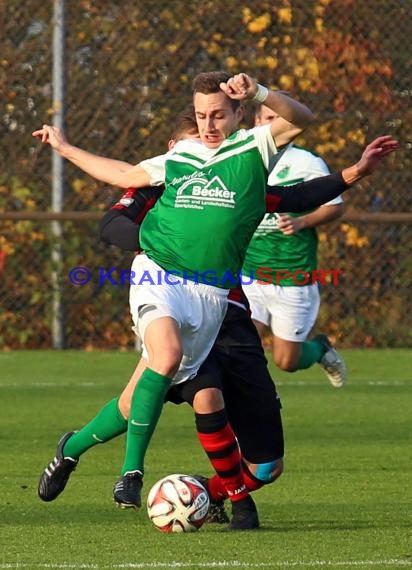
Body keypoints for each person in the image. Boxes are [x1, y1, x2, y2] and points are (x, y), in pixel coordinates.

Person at [37, 121, 398, 531]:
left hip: (227, 318)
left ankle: (85, 451)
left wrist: (355, 171)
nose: (205, 153)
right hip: (169, 298)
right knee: (197, 393)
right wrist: (169, 245)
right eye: (191, 142)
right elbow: (111, 225)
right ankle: (209, 495)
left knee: (264, 464)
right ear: (172, 150)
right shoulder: (155, 184)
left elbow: (298, 196)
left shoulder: (230, 188)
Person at [34, 71, 315, 527]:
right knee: (165, 357)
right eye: (201, 115)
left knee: (133, 401)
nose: (208, 125)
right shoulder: (181, 153)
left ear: (238, 114)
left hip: (209, 295)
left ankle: (71, 448)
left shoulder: (253, 147)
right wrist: (65, 148)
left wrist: (262, 92)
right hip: (158, 273)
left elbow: (301, 118)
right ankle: (131, 473)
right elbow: (125, 174)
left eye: (218, 115)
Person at [242, 103, 346, 387]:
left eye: (282, 118)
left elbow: (335, 207)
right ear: (257, 121)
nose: (276, 124)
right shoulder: (242, 158)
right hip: (248, 274)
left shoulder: (307, 162)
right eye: (269, 118)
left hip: (292, 275)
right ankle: (239, 415)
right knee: (238, 348)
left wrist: (302, 222)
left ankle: (320, 348)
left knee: (286, 361)